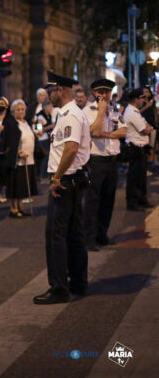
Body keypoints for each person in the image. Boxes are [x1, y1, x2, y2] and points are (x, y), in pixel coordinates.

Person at [33, 71, 90, 305]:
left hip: (65, 182)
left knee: (56, 234)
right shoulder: (68, 113)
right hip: (71, 180)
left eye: (52, 90)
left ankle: (59, 288)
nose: (49, 95)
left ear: (63, 91)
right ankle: (78, 282)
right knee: (74, 233)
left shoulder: (70, 115)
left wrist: (56, 178)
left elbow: (71, 149)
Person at [82, 79, 126, 251]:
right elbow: (94, 131)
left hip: (111, 159)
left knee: (108, 200)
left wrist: (107, 134)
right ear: (96, 94)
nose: (107, 96)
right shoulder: (88, 111)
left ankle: (102, 234)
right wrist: (101, 113)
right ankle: (89, 238)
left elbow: (124, 131)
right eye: (103, 93)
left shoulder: (114, 109)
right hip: (96, 160)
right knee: (93, 200)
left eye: (108, 92)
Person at [2, 99, 38, 217]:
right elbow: (8, 142)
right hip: (17, 160)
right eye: (18, 109)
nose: (21, 111)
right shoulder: (11, 123)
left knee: (22, 185)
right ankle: (13, 209)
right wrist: (17, 153)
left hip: (29, 158)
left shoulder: (26, 122)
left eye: (22, 109)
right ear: (13, 111)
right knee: (15, 184)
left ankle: (21, 207)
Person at [124, 88, 153, 211]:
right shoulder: (132, 113)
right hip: (135, 148)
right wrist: (148, 128)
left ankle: (141, 200)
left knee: (140, 177)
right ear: (136, 99)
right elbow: (145, 129)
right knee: (135, 177)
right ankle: (132, 202)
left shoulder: (134, 111)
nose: (143, 100)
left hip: (140, 148)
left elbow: (147, 126)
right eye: (142, 98)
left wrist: (148, 127)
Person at [33, 99, 56, 178]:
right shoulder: (40, 117)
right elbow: (39, 131)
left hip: (47, 138)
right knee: (47, 156)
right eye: (50, 106)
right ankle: (43, 175)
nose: (52, 108)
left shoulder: (49, 115)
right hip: (42, 140)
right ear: (45, 107)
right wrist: (50, 126)